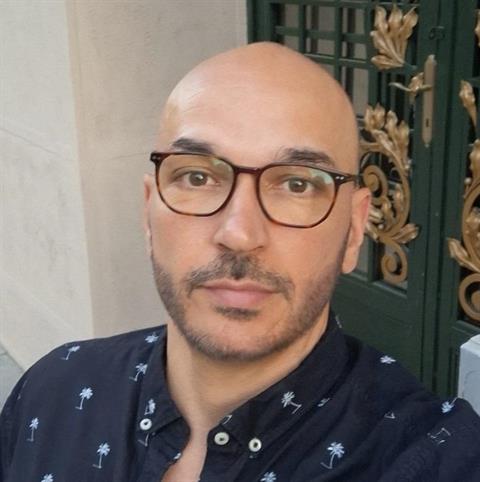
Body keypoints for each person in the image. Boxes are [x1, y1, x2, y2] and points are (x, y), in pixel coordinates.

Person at [1, 42, 479, 482]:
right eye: (197, 176)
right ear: (149, 213)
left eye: (297, 184)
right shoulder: (52, 391)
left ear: (354, 230)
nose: (240, 234)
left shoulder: (436, 457)